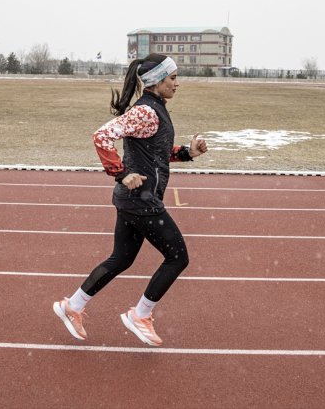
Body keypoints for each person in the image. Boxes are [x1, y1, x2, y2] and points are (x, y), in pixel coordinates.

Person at [53, 54, 208, 346]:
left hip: (134, 199)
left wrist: (188, 152)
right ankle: (140, 315)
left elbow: (156, 151)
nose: (177, 84)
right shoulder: (146, 112)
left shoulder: (155, 110)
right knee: (178, 257)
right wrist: (121, 172)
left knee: (121, 258)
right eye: (173, 78)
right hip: (141, 200)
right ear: (156, 80)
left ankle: (72, 306)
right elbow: (101, 136)